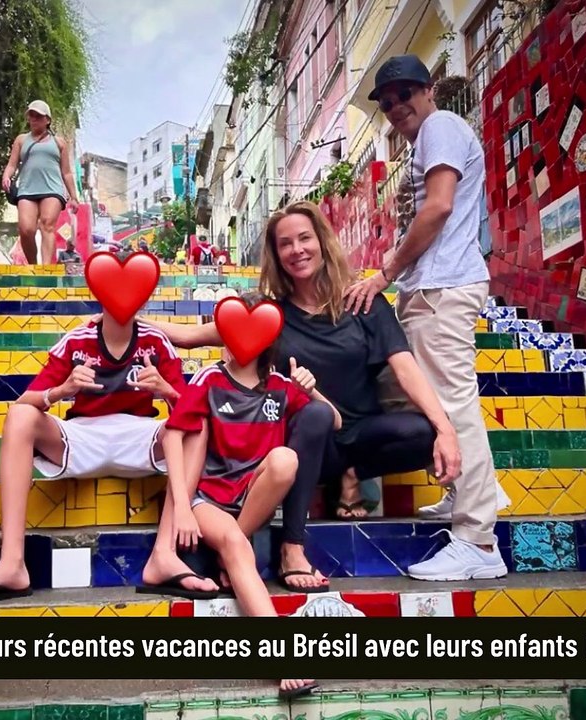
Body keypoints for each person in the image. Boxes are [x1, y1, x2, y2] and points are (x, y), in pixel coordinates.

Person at [141, 201, 461, 591]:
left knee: (424, 431)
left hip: (360, 433)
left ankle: (354, 473)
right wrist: (118, 314)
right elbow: (189, 338)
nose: (297, 250)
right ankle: (293, 546)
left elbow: (404, 367)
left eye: (305, 238)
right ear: (276, 255)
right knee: (314, 415)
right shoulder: (269, 317)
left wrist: (444, 428)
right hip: (305, 440)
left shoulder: (363, 301)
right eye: (285, 244)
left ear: (322, 242)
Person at [342, 55, 507, 581]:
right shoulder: (433, 136)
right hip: (434, 286)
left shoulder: (440, 125)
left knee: (454, 407)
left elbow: (436, 208)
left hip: (443, 286)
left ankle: (478, 540)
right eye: (386, 103)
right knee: (428, 399)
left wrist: (384, 274)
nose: (396, 107)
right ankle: (473, 492)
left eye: (404, 94)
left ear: (428, 89)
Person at [0, 310, 206, 609]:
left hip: (141, 437)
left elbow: (189, 408)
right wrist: (63, 390)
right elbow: (24, 401)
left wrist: (166, 391)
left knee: (198, 425)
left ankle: (164, 554)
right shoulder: (76, 339)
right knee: (20, 416)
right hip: (82, 437)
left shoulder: (157, 341)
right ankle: (11, 563)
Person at [161, 292, 335, 698]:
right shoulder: (210, 379)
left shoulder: (279, 385)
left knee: (285, 459)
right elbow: (173, 432)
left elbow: (335, 421)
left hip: (250, 500)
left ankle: (230, 548)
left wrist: (313, 389)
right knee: (238, 547)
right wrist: (182, 508)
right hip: (208, 500)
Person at [2, 100, 81, 265]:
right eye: (31, 115)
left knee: (47, 225)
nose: (34, 118)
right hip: (27, 189)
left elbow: (66, 172)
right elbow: (12, 164)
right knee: (26, 229)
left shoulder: (59, 143)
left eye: (38, 115)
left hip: (52, 189)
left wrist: (73, 196)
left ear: (47, 120)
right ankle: (33, 266)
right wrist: (6, 176)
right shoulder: (21, 140)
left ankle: (46, 269)